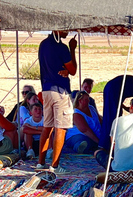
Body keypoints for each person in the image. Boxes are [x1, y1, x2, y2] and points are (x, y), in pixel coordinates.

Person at [37, 31, 77, 174]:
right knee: (61, 127)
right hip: (60, 91)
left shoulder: (43, 45)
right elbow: (73, 70)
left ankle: (41, 163)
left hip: (46, 89)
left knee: (47, 127)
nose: (67, 31)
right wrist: (72, 49)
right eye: (64, 29)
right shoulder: (62, 47)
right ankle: (54, 166)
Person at [98, 74, 133, 151]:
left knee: (110, 116)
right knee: (112, 118)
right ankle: (108, 145)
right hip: (113, 89)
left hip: (111, 87)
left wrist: (125, 107)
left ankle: (105, 144)